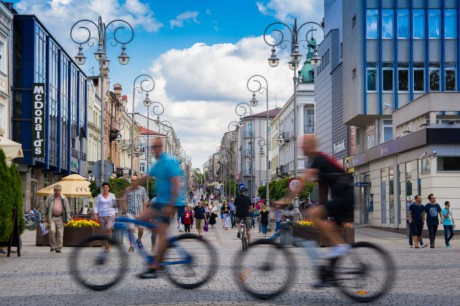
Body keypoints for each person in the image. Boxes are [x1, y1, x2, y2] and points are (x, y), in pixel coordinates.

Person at [276, 135, 354, 259]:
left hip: (345, 197)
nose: (301, 146)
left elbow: (302, 183)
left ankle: (340, 246)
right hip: (343, 197)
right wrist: (322, 206)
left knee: (312, 214)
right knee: (323, 221)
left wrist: (284, 200)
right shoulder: (318, 160)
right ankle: (329, 272)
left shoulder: (318, 160)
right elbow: (323, 188)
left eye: (304, 143)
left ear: (311, 145)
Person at [124, 137, 184, 279]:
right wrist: (127, 191)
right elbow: (144, 178)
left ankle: (155, 266)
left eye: (155, 147)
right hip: (160, 201)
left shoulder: (168, 161)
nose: (153, 150)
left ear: (160, 148)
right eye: (152, 148)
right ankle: (159, 254)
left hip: (170, 202)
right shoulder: (157, 164)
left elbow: (176, 183)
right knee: (140, 219)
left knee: (161, 233)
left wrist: (170, 203)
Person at [43, 185, 71, 253]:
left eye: (59, 191)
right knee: (52, 231)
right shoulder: (49, 198)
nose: (57, 192)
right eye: (56, 191)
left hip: (61, 217)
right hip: (52, 217)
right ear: (54, 191)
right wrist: (44, 217)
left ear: (61, 191)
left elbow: (67, 209)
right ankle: (52, 247)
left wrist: (67, 218)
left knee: (60, 233)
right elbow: (45, 208)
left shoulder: (64, 198)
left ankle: (58, 248)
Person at [125, 175, 149, 253]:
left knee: (141, 229)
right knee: (131, 229)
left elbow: (145, 201)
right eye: (131, 180)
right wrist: (124, 211)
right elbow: (125, 201)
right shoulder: (127, 190)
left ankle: (139, 240)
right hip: (130, 213)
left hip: (140, 213)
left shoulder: (142, 189)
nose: (133, 182)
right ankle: (131, 246)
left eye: (134, 180)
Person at [94, 182, 118, 252]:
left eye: (106, 187)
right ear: (102, 188)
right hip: (102, 215)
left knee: (108, 229)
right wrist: (95, 214)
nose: (105, 189)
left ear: (109, 188)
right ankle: (106, 245)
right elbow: (96, 206)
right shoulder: (99, 196)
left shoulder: (112, 195)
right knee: (104, 231)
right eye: (104, 188)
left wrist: (116, 213)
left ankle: (108, 245)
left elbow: (115, 205)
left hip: (111, 214)